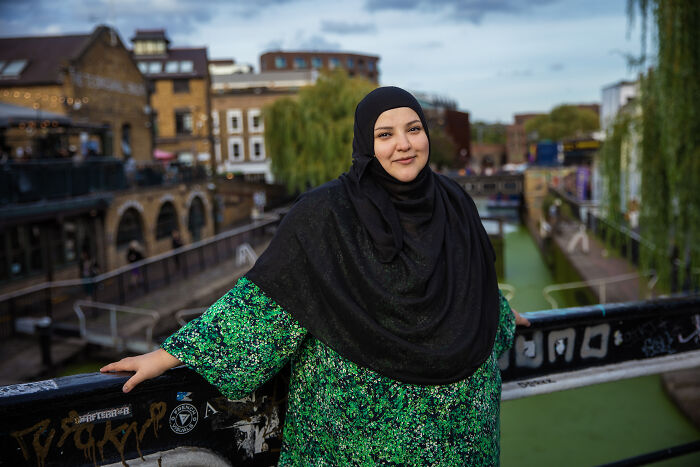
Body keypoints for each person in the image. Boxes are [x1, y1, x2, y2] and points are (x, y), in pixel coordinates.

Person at [102, 87, 529, 464]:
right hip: (358, 440)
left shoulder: (454, 202)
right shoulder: (326, 213)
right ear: (365, 142)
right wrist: (167, 356)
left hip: (462, 435)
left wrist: (503, 313)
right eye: (386, 134)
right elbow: (270, 302)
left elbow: (470, 282)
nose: (404, 144)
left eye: (413, 129)